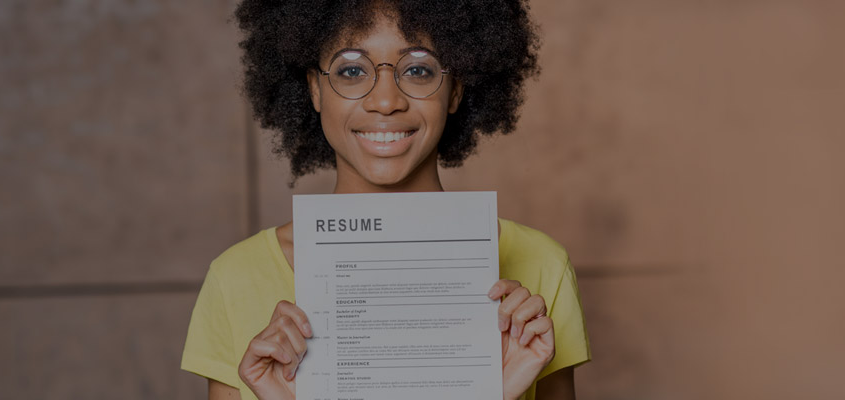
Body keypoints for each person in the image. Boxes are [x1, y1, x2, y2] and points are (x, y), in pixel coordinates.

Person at [179, 1, 590, 399]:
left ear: (455, 90)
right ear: (315, 89)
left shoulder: (541, 267)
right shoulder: (236, 278)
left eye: (417, 69)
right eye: (353, 70)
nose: (386, 101)